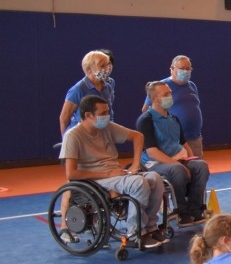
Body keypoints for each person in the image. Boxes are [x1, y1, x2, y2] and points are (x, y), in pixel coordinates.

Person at [59, 94, 167, 248]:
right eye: (103, 113)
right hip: (95, 178)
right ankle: (135, 232)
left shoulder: (107, 127)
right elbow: (71, 174)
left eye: (107, 112)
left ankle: (150, 227)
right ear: (88, 115)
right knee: (138, 183)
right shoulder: (73, 136)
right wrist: (108, 174)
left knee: (155, 178)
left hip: (116, 174)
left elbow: (138, 137)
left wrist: (135, 164)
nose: (107, 116)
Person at [137, 81, 210, 227]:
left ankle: (195, 210)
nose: (170, 96)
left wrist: (190, 159)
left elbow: (184, 144)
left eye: (170, 93)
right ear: (155, 99)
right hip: (155, 163)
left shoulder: (174, 119)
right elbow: (152, 152)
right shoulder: (146, 120)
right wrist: (179, 165)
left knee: (201, 166)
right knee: (177, 170)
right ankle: (181, 212)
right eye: (166, 94)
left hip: (177, 159)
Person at [142, 55, 204, 158]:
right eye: (182, 68)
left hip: (194, 137)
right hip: (172, 140)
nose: (185, 71)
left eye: (188, 68)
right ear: (172, 68)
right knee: (178, 170)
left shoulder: (192, 86)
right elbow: (146, 110)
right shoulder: (162, 86)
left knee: (198, 168)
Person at [59, 50, 115, 136]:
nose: (107, 68)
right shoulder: (78, 89)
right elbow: (64, 117)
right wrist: (66, 140)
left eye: (108, 64)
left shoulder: (108, 87)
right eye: (102, 65)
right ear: (89, 69)